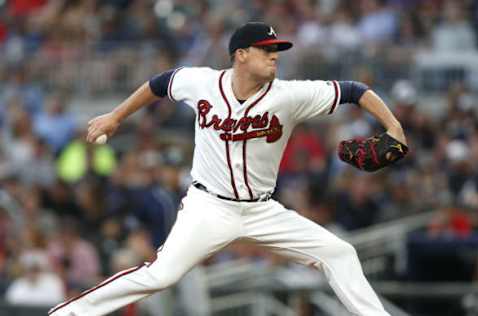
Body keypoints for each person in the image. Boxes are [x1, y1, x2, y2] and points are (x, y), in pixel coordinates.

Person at [49, 22, 407, 316]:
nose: (274, 57)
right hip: (209, 207)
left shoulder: (289, 95)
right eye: (266, 50)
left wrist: (394, 128)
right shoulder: (202, 82)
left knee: (339, 253)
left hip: (262, 210)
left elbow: (356, 91)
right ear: (241, 54)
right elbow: (159, 84)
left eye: (276, 51)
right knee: (160, 275)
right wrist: (115, 116)